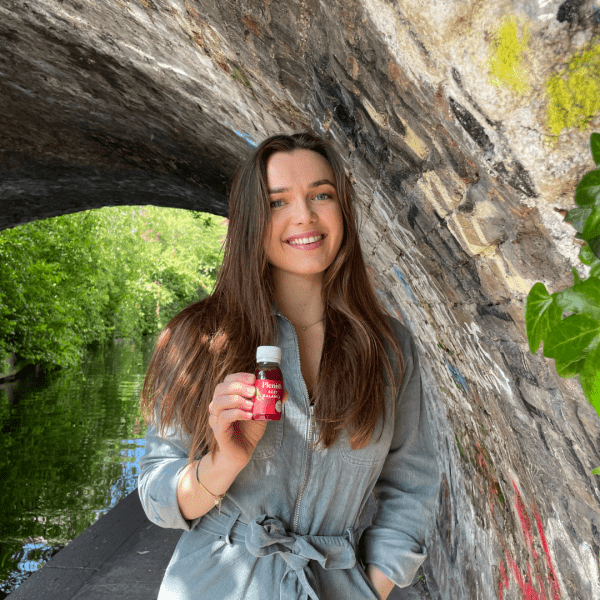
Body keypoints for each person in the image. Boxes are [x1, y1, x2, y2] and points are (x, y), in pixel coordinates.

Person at [138, 131, 439, 600]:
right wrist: (222, 464)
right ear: (252, 222)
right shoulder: (199, 337)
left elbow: (411, 485)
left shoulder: (390, 349)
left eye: (322, 194)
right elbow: (157, 491)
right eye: (278, 202)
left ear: (344, 210)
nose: (304, 215)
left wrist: (371, 585)